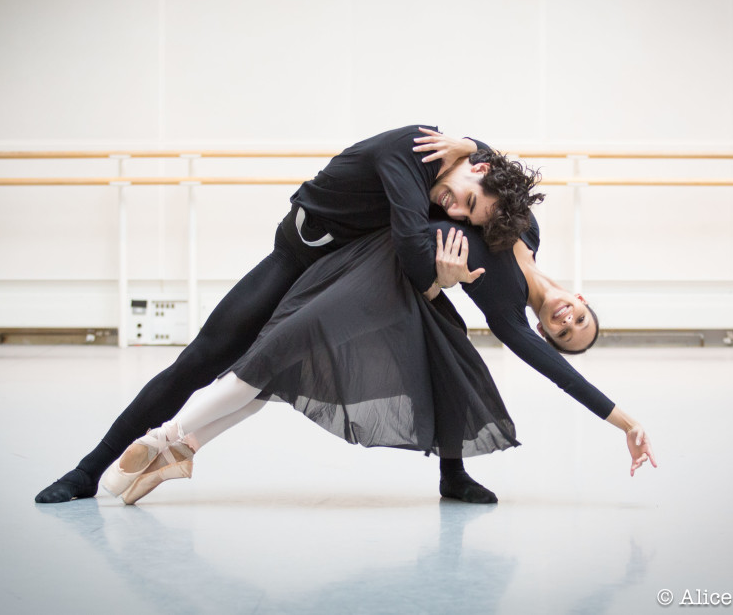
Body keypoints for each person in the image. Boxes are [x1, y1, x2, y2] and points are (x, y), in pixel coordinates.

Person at [35, 125, 541, 504]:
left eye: (465, 213)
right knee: (200, 362)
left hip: (344, 271)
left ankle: (452, 475)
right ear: (472, 169)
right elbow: (412, 246)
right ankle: (87, 470)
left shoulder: (457, 178)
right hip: (292, 263)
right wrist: (473, 147)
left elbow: (508, 201)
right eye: (465, 202)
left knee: (443, 343)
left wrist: (477, 155)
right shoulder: (411, 150)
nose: (454, 213)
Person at [101, 223, 657, 506]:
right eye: (577, 320)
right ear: (580, 298)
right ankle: (182, 449)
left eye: (562, 334)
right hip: (370, 253)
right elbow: (484, 180)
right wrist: (467, 144)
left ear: (544, 332)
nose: (564, 323)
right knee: (274, 367)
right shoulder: (528, 233)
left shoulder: (512, 316)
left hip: (394, 287)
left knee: (278, 359)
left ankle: (168, 438)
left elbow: (562, 377)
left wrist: (627, 423)